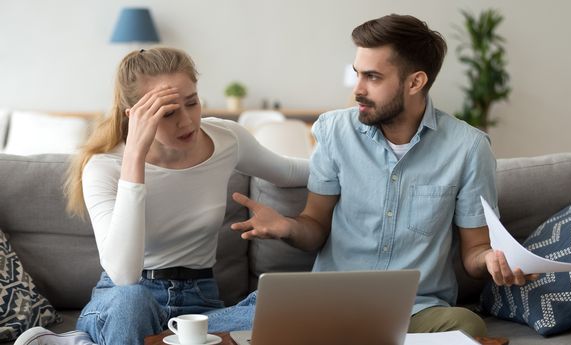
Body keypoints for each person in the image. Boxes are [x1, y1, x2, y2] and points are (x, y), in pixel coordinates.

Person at [207, 14, 536, 337]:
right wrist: (288, 228)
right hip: (329, 305)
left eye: (373, 77)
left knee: (467, 326)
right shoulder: (335, 132)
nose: (358, 89)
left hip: (416, 310)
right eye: (357, 74)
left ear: (415, 82)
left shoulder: (468, 148)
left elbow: (474, 251)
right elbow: (315, 226)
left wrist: (492, 259)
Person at [14, 47, 308, 345]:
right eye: (167, 113)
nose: (187, 121)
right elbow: (124, 275)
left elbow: (292, 172)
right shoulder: (105, 167)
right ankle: (180, 340)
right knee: (132, 302)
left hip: (200, 304)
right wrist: (134, 157)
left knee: (290, 305)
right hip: (124, 301)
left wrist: (348, 153)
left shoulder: (226, 139)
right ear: (135, 116)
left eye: (192, 103)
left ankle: (150, 340)